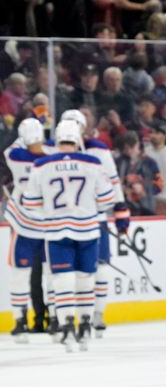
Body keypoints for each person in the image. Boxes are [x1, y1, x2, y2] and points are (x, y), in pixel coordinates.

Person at [22, 120, 115, 351]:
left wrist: (50, 211)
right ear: (77, 139)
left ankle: (66, 326)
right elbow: (106, 200)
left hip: (55, 231)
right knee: (85, 279)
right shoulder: (92, 162)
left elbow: (30, 202)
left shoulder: (41, 165)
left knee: (62, 280)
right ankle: (85, 324)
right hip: (87, 230)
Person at [59, 109, 129, 336]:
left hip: (92, 220)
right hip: (70, 222)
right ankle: (66, 316)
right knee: (67, 273)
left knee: (98, 268)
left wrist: (120, 210)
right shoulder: (61, 151)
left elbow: (112, 179)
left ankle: (96, 313)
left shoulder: (97, 149)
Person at [3, 118, 49, 342]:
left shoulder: (14, 156)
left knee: (21, 274)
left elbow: (11, 148)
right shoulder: (51, 159)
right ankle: (55, 318)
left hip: (22, 221)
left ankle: (21, 319)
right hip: (48, 222)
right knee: (52, 273)